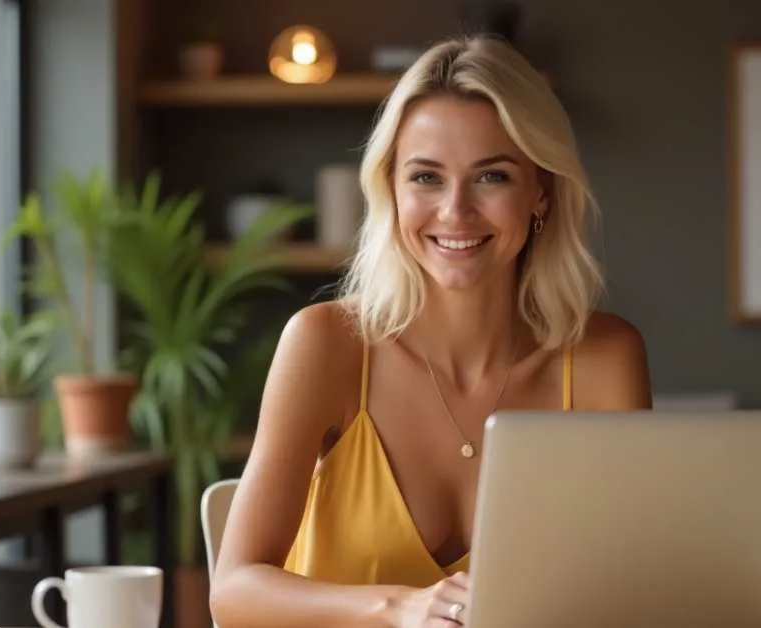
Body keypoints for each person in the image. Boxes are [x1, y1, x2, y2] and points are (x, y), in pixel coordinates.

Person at [209, 35, 652, 627]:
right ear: (391, 188)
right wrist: (399, 607)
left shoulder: (606, 359)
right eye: (426, 178)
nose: (455, 211)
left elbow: (636, 588)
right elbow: (234, 591)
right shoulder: (325, 345)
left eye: (491, 177)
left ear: (540, 191)